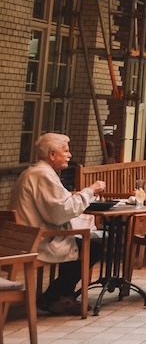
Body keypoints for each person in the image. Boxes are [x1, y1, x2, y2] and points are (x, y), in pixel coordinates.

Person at [10, 133, 104, 315]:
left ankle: (59, 296)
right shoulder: (43, 174)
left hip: (24, 237)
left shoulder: (35, 172)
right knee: (92, 246)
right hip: (36, 241)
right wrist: (90, 191)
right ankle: (54, 297)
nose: (69, 155)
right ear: (52, 154)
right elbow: (61, 212)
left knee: (80, 241)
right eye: (66, 151)